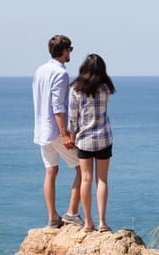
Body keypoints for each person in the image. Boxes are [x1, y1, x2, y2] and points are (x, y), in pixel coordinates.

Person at [33, 35, 83, 228]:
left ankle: (53, 218)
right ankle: (72, 212)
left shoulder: (40, 70)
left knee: (50, 171)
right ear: (63, 51)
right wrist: (64, 133)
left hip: (42, 130)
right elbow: (58, 106)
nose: (70, 52)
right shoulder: (60, 73)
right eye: (69, 49)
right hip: (55, 130)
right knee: (83, 168)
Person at [68, 54, 116, 233]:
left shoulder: (75, 89)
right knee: (102, 180)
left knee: (85, 179)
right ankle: (103, 223)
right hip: (104, 137)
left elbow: (73, 118)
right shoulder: (106, 88)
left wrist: (71, 138)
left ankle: (88, 222)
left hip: (84, 139)